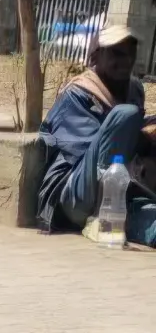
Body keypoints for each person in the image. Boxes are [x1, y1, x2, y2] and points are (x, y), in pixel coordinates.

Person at [37, 23, 156, 245]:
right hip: (76, 194)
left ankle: (122, 217)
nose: (126, 61)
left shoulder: (134, 90)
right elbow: (93, 148)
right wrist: (141, 138)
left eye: (130, 54)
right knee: (125, 115)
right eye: (117, 54)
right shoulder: (78, 93)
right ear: (96, 56)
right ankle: (99, 218)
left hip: (121, 192)